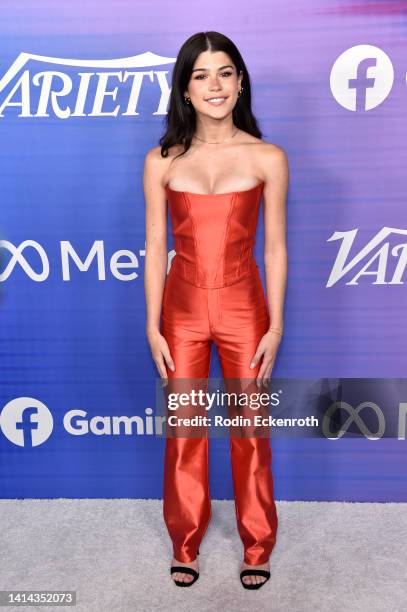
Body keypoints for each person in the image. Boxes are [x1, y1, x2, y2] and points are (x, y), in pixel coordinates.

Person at [144, 31, 288, 590]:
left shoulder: (267, 156)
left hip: (243, 307)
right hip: (179, 310)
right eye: (201, 75)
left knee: (251, 429)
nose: (215, 85)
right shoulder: (161, 160)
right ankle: (185, 541)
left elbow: (274, 247)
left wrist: (274, 325)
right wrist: (152, 325)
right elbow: (156, 247)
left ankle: (258, 543)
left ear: (241, 80)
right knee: (184, 430)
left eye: (225, 72)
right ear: (184, 89)